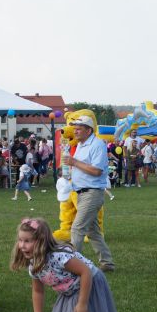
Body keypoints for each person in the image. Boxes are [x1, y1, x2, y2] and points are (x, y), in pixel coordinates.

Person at [62, 115, 115, 272]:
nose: (75, 131)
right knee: (93, 232)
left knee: (77, 229)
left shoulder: (97, 145)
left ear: (89, 130)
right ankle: (107, 263)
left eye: (79, 128)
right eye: (75, 128)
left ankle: (72, 267)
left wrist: (74, 162)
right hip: (81, 193)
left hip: (92, 193)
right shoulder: (80, 145)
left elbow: (97, 171)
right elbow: (81, 167)